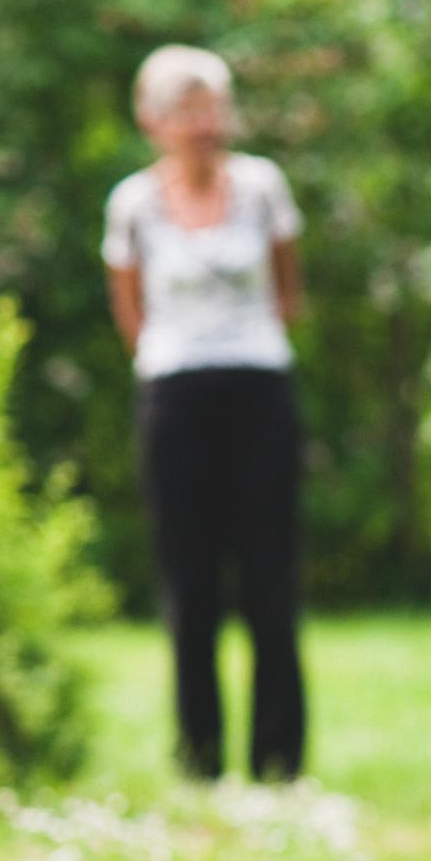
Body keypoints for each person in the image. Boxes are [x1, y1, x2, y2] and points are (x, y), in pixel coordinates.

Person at [103, 44, 309, 781]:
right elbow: (131, 310)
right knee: (189, 581)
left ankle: (279, 760)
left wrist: (247, 347)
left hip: (258, 387)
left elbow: (289, 293)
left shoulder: (261, 188)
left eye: (210, 107)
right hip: (175, 394)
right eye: (186, 109)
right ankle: (200, 756)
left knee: (269, 578)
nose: (202, 124)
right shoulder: (132, 204)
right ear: (152, 119)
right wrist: (180, 358)